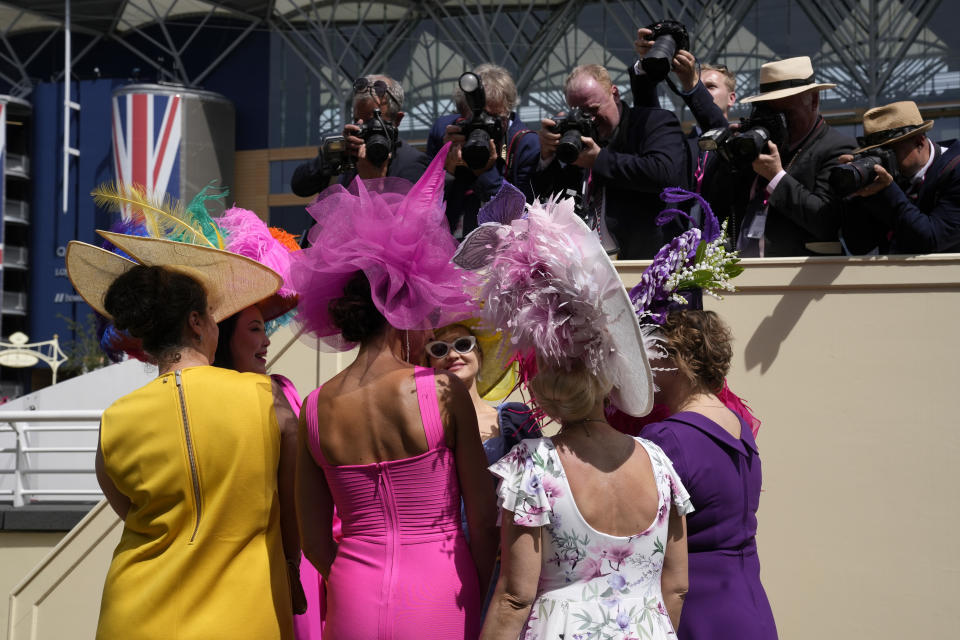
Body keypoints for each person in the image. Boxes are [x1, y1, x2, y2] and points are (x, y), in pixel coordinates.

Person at [453, 191, 692, 639]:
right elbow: (676, 586)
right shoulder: (659, 462)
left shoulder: (534, 466)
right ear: (608, 380)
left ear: (545, 387)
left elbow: (515, 596)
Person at [291, 144, 499, 639]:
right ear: (402, 309)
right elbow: (484, 516)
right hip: (440, 591)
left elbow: (315, 539)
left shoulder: (315, 407)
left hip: (353, 596)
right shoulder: (441, 392)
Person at [66, 231, 292, 639]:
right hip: (242, 617)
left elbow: (132, 512)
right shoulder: (265, 398)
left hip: (132, 618)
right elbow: (296, 504)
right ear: (196, 322)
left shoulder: (116, 419)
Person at [211, 206, 322, 638]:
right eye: (255, 328)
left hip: (296, 565)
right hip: (237, 568)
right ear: (221, 335)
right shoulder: (205, 399)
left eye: (265, 327)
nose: (267, 338)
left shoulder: (285, 390)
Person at [640, 310, 778, 640]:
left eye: (655, 355)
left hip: (697, 614)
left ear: (677, 362)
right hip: (750, 606)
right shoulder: (738, 426)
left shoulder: (666, 439)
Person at [533, 63, 690, 258]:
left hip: (645, 262)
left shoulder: (653, 122)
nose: (589, 119)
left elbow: (664, 173)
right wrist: (547, 157)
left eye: (593, 109)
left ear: (614, 93)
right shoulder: (580, 136)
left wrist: (599, 160)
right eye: (580, 113)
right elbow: (547, 201)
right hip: (588, 265)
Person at [734, 56, 856, 256]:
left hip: (802, 280)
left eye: (787, 113)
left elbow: (826, 221)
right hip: (747, 272)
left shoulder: (838, 148)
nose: (779, 122)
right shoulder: (764, 144)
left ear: (814, 100)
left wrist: (776, 177)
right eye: (772, 114)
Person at [632, 28, 739, 234]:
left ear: (732, 98)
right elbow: (649, 114)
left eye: (710, 87)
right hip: (678, 247)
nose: (704, 93)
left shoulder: (740, 141)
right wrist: (645, 66)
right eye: (701, 87)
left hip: (724, 247)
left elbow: (718, 128)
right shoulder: (678, 144)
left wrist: (692, 85)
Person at [426, 64, 540, 237]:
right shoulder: (446, 132)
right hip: (449, 241)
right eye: (475, 120)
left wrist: (486, 172)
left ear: (507, 112)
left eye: (493, 120)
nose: (482, 129)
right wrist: (445, 169)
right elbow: (426, 209)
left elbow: (519, 218)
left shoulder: (524, 144)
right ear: (462, 113)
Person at [840, 100, 960, 254]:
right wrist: (856, 191)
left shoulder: (955, 170)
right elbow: (860, 246)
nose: (882, 160)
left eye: (889, 151)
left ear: (919, 141)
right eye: (874, 153)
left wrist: (888, 191)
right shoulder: (891, 175)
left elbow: (931, 240)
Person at [290, 74, 429, 197]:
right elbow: (299, 187)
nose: (361, 128)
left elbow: (405, 223)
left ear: (397, 120)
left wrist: (373, 185)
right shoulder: (346, 152)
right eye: (357, 121)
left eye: (371, 122)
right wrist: (332, 157)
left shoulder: (413, 164)